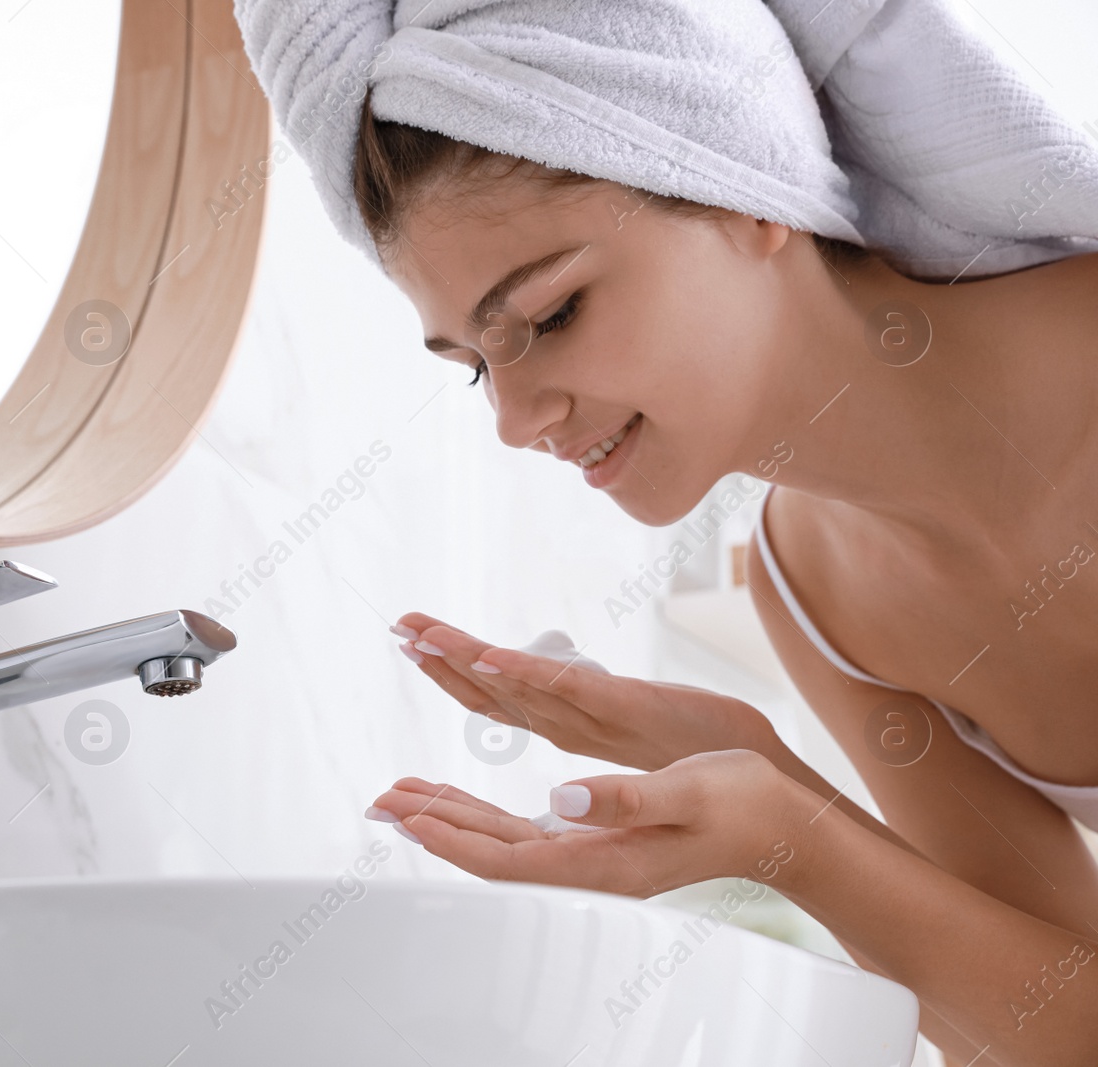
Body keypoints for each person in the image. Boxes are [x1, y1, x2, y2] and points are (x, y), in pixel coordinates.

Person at [236, 1, 1098, 1062]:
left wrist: (794, 836)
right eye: (473, 361)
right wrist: (771, 791)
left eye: (551, 315)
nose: (512, 419)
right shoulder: (812, 589)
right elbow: (1055, 1025)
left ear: (744, 192)